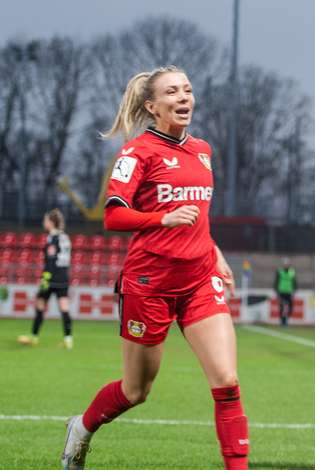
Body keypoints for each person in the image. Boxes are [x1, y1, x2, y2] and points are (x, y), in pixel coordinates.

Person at [60, 66, 249, 470]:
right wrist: (159, 219)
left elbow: (197, 215)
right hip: (149, 283)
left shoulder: (203, 150)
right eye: (172, 92)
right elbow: (113, 216)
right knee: (136, 390)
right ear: (152, 105)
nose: (184, 98)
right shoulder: (136, 153)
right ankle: (81, 428)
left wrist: (215, 253)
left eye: (187, 90)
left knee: (227, 381)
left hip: (200, 280)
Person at [17, 209, 73, 349]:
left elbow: (50, 260)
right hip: (63, 277)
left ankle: (34, 337)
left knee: (40, 306)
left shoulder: (53, 238)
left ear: (51, 222)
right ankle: (68, 340)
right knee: (64, 308)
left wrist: (45, 278)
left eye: (45, 220)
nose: (44, 223)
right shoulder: (65, 237)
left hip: (51, 278)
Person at [274, 257, 296, 327]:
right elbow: (276, 282)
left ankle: (286, 320)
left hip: (289, 292)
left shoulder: (292, 271)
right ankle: (282, 321)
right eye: (285, 264)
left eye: (287, 264)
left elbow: (294, 282)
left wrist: (294, 291)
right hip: (281, 291)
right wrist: (277, 292)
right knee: (282, 307)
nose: (286, 265)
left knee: (290, 307)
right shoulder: (279, 271)